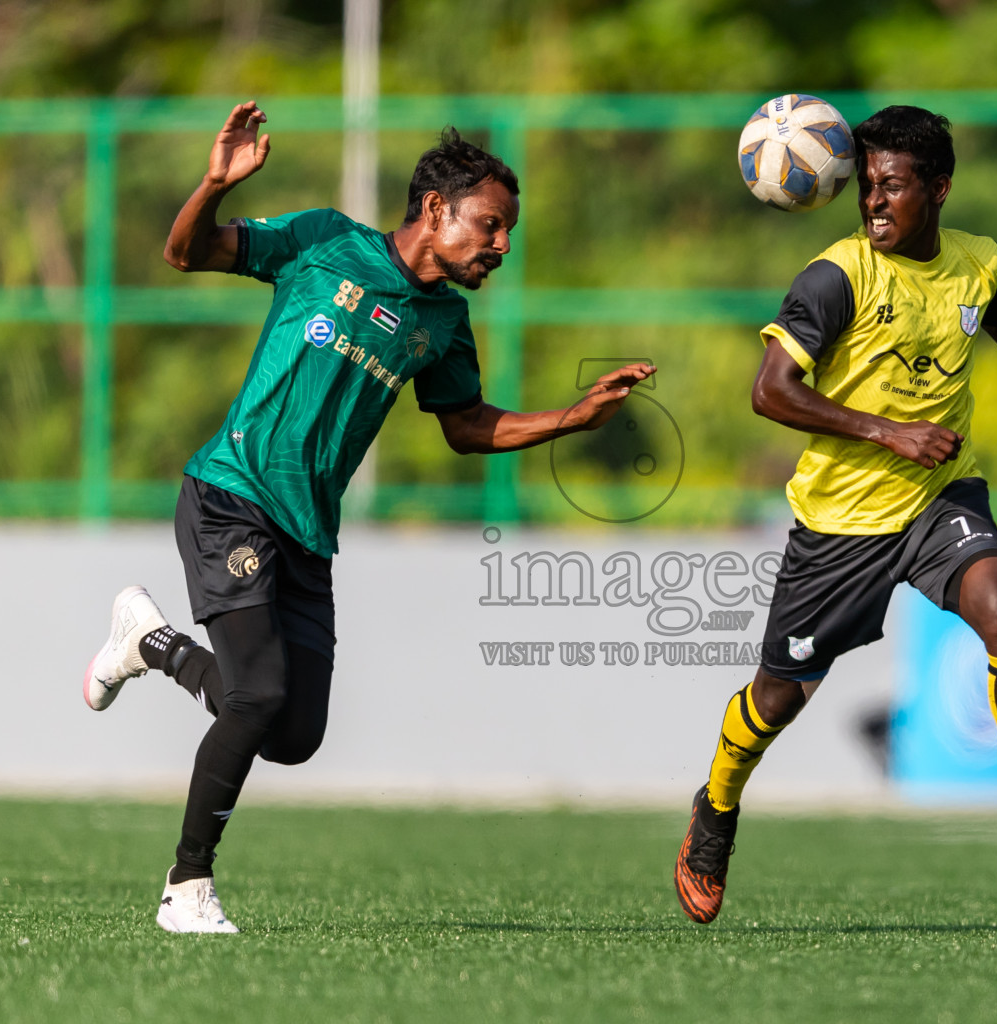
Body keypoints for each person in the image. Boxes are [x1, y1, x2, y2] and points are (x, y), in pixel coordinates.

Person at [83, 101, 654, 933]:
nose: (501, 247)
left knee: (291, 734)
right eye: (490, 228)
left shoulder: (444, 322)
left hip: (308, 530)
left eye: (507, 234)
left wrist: (570, 419)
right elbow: (185, 251)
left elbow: (464, 425)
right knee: (257, 695)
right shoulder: (323, 241)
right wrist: (212, 185)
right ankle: (186, 887)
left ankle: (153, 644)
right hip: (230, 494)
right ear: (435, 211)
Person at [673, 105, 997, 925]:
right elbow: (769, 393)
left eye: (891, 187)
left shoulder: (978, 262)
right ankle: (714, 811)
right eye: (866, 188)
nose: (873, 204)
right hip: (842, 524)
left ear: (939, 189)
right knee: (778, 700)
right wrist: (887, 431)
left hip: (940, 496)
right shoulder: (836, 276)